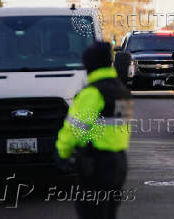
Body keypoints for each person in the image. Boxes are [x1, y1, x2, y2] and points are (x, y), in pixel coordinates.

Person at [55, 42, 132, 219]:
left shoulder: (93, 93)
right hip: (119, 163)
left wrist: (62, 153)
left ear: (90, 65)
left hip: (97, 164)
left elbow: (74, 129)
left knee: (91, 213)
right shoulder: (121, 91)